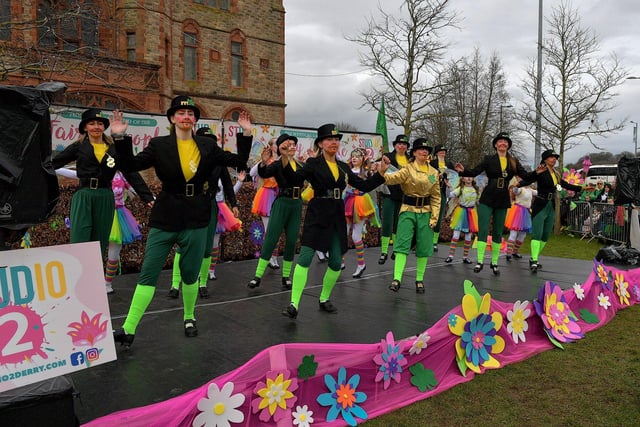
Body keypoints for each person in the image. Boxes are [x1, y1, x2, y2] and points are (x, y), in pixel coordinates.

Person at [111, 96, 251, 347]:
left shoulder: (207, 146)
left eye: (190, 113)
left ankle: (189, 316)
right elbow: (129, 165)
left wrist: (246, 134)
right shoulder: (158, 145)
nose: (186, 117)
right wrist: (120, 138)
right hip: (166, 216)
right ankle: (128, 328)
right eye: (181, 113)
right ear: (173, 118)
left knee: (189, 274)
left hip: (197, 217)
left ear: (195, 120)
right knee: (149, 272)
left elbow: (238, 163)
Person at [278, 124, 388, 319]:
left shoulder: (343, 167)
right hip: (317, 213)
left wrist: (381, 174)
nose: (333, 143)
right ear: (320, 143)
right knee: (304, 258)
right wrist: (286, 157)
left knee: (336, 262)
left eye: (336, 139)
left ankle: (324, 298)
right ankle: (294, 303)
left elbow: (363, 184)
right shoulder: (313, 163)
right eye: (329, 139)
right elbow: (293, 178)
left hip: (337, 214)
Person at [52, 109, 155, 292]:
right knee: (81, 238)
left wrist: (146, 195)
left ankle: (92, 286)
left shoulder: (113, 149)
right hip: (84, 195)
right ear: (84, 127)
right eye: (92, 123)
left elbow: (129, 170)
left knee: (99, 242)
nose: (96, 127)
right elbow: (52, 164)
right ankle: (75, 285)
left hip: (105, 197)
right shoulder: (78, 147)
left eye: (100, 124)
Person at [168, 126, 243, 299]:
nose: (209, 144)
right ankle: (174, 284)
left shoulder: (218, 161)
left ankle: (202, 283)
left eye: (212, 141)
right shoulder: (188, 158)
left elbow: (226, 183)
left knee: (208, 247)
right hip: (189, 204)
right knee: (183, 245)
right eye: (206, 140)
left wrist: (234, 204)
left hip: (209, 205)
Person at [454, 132, 534, 275]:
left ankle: (495, 262)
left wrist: (536, 173)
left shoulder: (513, 161)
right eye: (500, 141)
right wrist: (463, 171)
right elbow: (474, 171)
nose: (503, 143)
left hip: (502, 199)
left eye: (505, 142)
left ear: (508, 145)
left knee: (498, 231)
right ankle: (479, 261)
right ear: (496, 144)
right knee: (483, 229)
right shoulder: (489, 159)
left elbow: (526, 176)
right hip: (488, 197)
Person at [381, 138, 441, 293]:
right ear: (414, 152)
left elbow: (436, 196)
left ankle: (419, 280)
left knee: (424, 246)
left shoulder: (434, 173)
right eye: (421, 149)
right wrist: (381, 172)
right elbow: (391, 178)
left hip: (425, 212)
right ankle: (397, 279)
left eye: (427, 150)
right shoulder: (407, 169)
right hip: (408, 209)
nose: (424, 152)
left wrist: (434, 216)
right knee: (402, 243)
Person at [247, 133, 305, 290]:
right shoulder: (278, 164)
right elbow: (264, 173)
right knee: (271, 237)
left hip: (296, 204)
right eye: (286, 145)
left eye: (293, 144)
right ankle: (257, 276)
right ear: (280, 148)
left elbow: (309, 180)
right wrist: (263, 163)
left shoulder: (301, 165)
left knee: (292, 240)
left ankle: (286, 276)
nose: (290, 146)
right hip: (281, 203)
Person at [518, 149, 583, 272]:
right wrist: (517, 185)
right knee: (537, 233)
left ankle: (534, 258)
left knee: (546, 235)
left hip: (550, 205)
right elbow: (529, 179)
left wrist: (581, 188)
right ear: (545, 159)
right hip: (540, 204)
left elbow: (563, 184)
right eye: (551, 157)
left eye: (555, 158)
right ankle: (535, 260)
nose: (554, 159)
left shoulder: (556, 173)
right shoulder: (541, 170)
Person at [343, 147, 381, 278]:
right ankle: (340, 261)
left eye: (357, 156)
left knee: (355, 236)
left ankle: (361, 264)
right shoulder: (346, 171)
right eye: (352, 156)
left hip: (360, 204)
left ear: (363, 159)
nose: (354, 158)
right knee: (343, 233)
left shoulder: (366, 173)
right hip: (348, 203)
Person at [377, 134, 410, 264]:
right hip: (389, 194)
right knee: (387, 223)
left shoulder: (411, 160)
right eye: (399, 144)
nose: (401, 146)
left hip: (403, 196)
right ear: (395, 145)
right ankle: (384, 251)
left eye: (404, 144)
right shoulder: (388, 157)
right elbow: (379, 170)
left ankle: (396, 250)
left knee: (399, 224)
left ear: (407, 147)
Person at [249, 138, 280, 269]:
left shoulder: (284, 161)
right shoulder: (266, 161)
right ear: (271, 146)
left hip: (280, 195)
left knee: (277, 230)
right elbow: (251, 173)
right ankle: (268, 257)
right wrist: (262, 161)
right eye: (277, 143)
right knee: (269, 230)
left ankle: (274, 257)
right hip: (267, 196)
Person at [444, 176, 478, 264]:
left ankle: (465, 257)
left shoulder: (476, 189)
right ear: (462, 179)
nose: (469, 178)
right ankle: (450, 256)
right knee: (456, 235)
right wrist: (448, 187)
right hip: (461, 213)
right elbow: (450, 195)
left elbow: (480, 199)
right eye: (466, 177)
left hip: (471, 213)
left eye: (470, 176)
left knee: (468, 236)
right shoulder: (461, 189)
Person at [429, 144, 455, 252]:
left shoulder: (449, 164)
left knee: (439, 217)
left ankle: (435, 242)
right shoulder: (432, 163)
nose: (442, 153)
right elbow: (428, 177)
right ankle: (427, 240)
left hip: (443, 192)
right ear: (436, 153)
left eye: (444, 152)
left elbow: (453, 176)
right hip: (432, 193)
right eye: (440, 152)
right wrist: (436, 178)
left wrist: (449, 181)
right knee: (429, 215)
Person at [504, 178, 536, 261]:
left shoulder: (530, 190)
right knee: (514, 233)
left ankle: (515, 251)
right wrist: (516, 185)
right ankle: (508, 253)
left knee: (523, 234)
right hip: (518, 212)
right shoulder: (521, 190)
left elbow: (539, 193)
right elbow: (515, 191)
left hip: (526, 213)